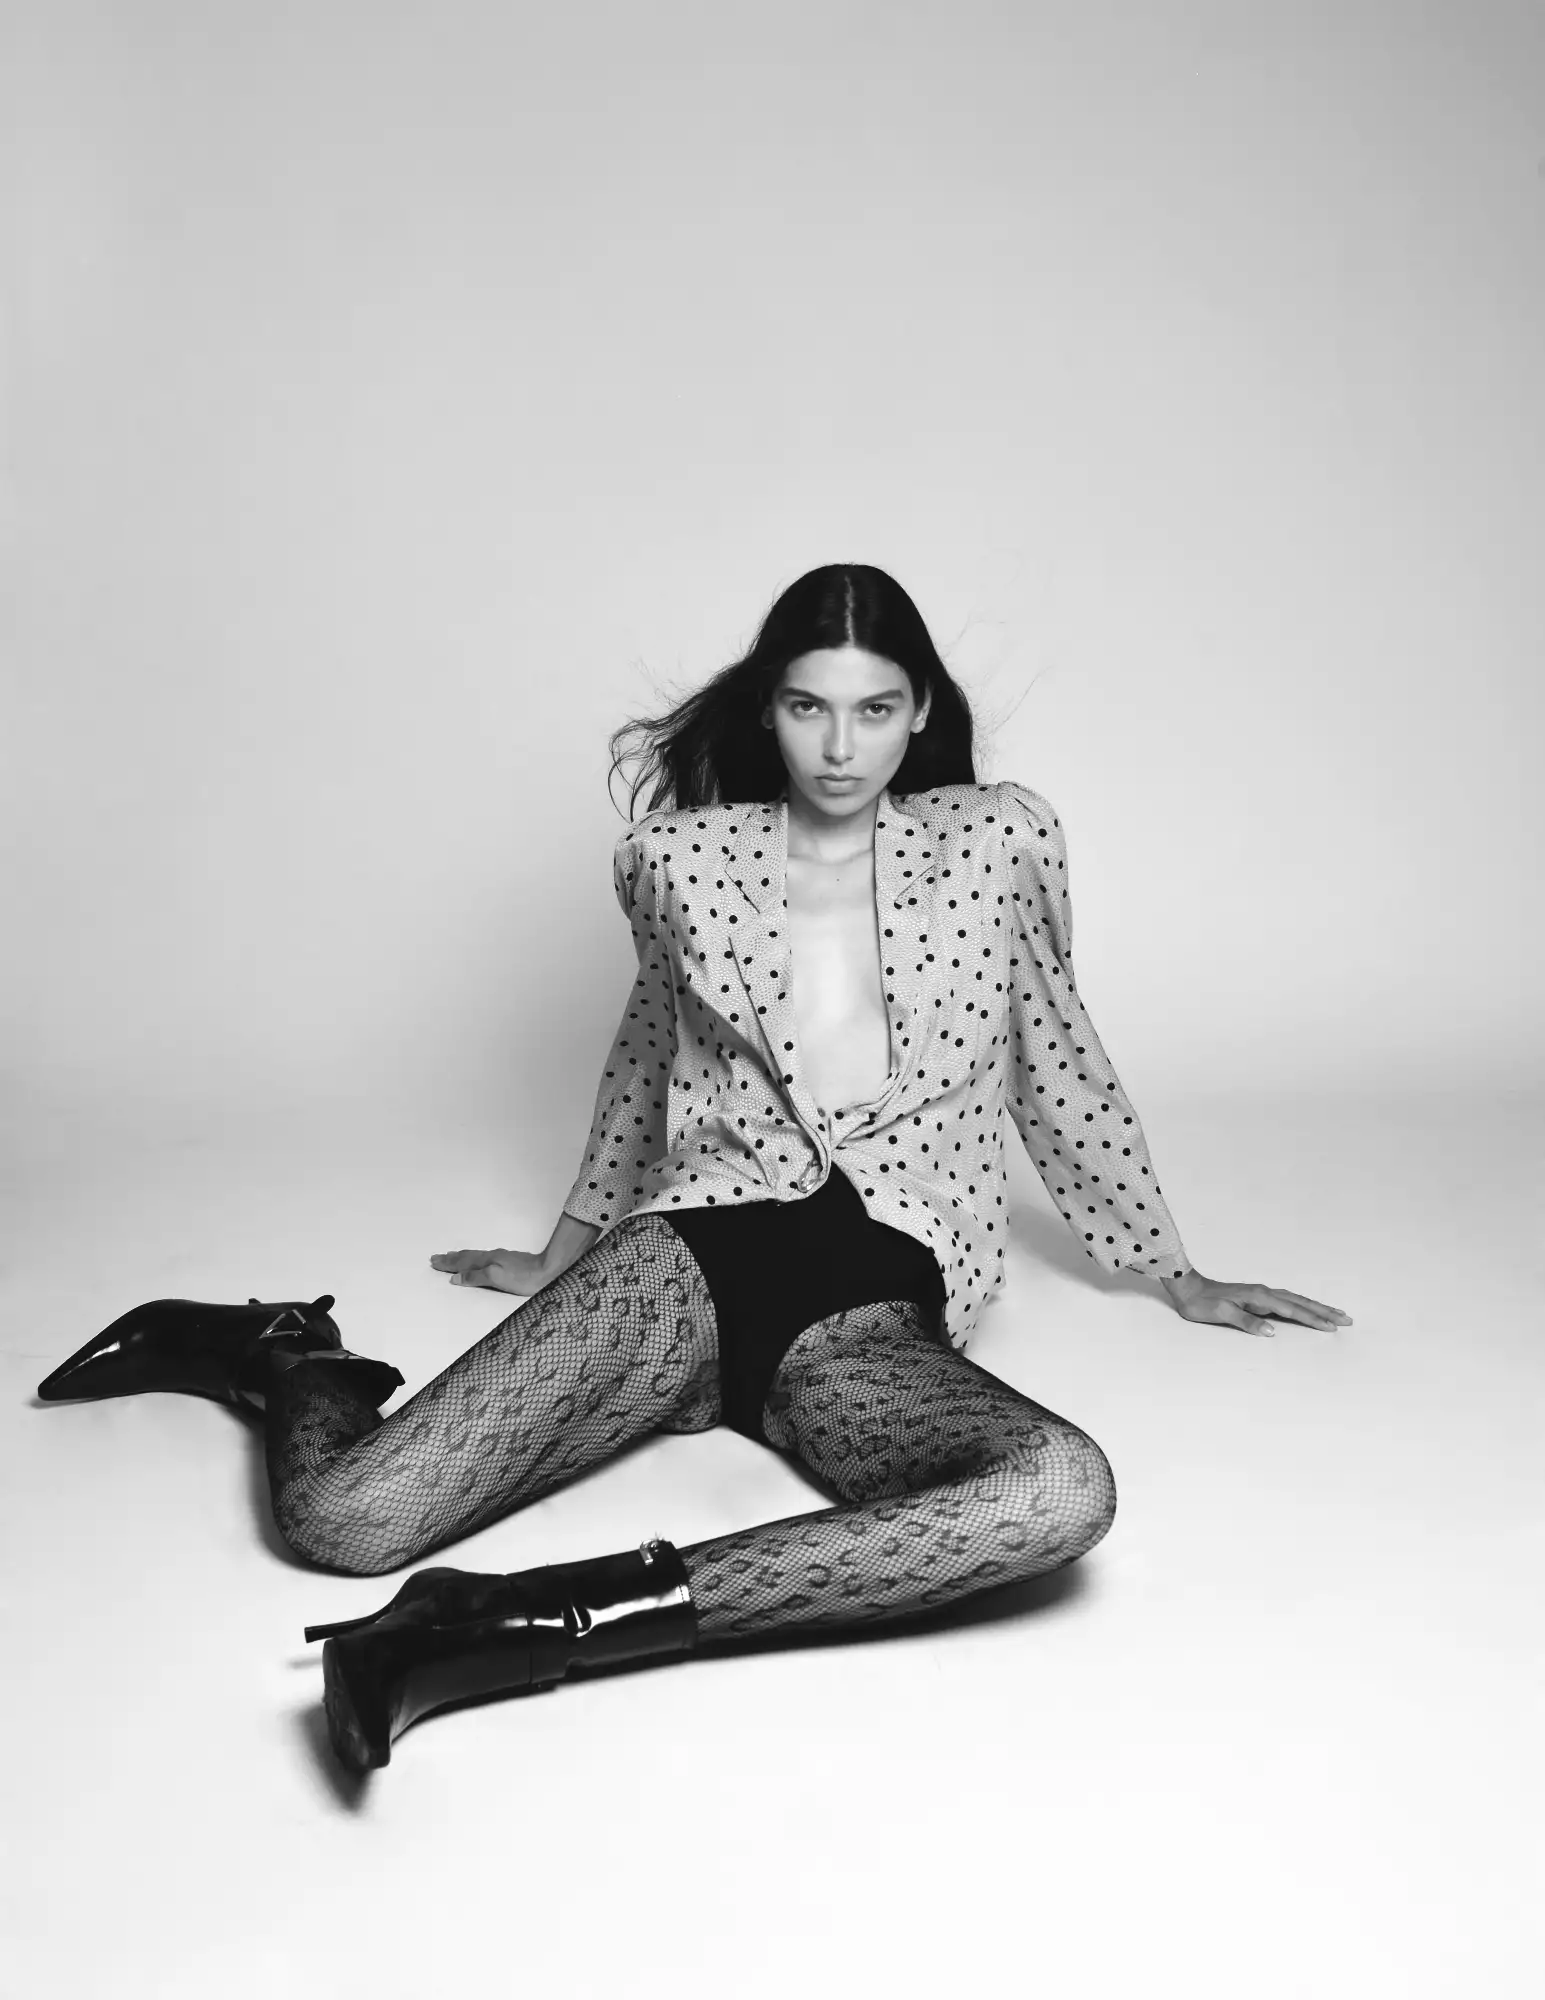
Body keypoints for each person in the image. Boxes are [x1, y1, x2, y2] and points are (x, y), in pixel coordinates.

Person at [36, 562, 1352, 1774]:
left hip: (866, 1317)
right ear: (767, 707)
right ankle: (285, 1354)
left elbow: (1058, 1050)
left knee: (1059, 1489)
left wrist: (1169, 1268)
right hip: (691, 1262)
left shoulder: (998, 842)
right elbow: (642, 1058)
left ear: (921, 713)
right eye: (809, 707)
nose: (840, 747)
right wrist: (563, 1250)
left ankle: (509, 1623)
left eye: (875, 710)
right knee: (343, 1521)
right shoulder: (682, 862)